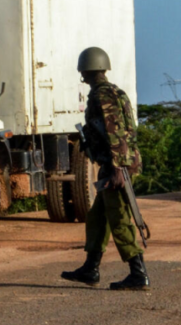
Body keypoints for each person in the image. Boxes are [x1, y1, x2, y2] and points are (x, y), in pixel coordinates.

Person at [61, 46, 149, 291]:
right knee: (97, 217)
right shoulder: (114, 91)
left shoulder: (103, 95)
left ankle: (138, 273)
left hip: (115, 168)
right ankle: (91, 268)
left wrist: (117, 168)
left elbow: (115, 132)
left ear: (84, 72)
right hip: (116, 164)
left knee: (119, 218)